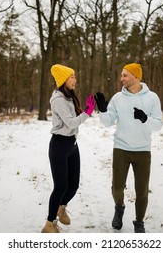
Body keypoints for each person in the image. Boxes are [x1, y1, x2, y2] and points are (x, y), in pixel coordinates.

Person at [94, 63, 163, 233]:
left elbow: (159, 125)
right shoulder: (118, 98)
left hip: (143, 150)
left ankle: (139, 222)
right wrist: (103, 110)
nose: (121, 78)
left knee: (142, 191)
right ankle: (119, 208)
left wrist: (145, 118)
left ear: (136, 77)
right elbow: (108, 122)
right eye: (121, 75)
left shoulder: (152, 98)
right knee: (117, 188)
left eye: (125, 75)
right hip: (121, 148)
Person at [42, 63, 96, 233]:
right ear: (64, 80)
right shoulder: (58, 100)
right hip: (59, 146)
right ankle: (50, 223)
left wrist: (85, 109)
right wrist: (87, 112)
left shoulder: (69, 97)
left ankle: (61, 208)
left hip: (72, 144)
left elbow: (74, 121)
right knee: (60, 187)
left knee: (73, 185)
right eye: (72, 76)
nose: (75, 79)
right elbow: (71, 122)